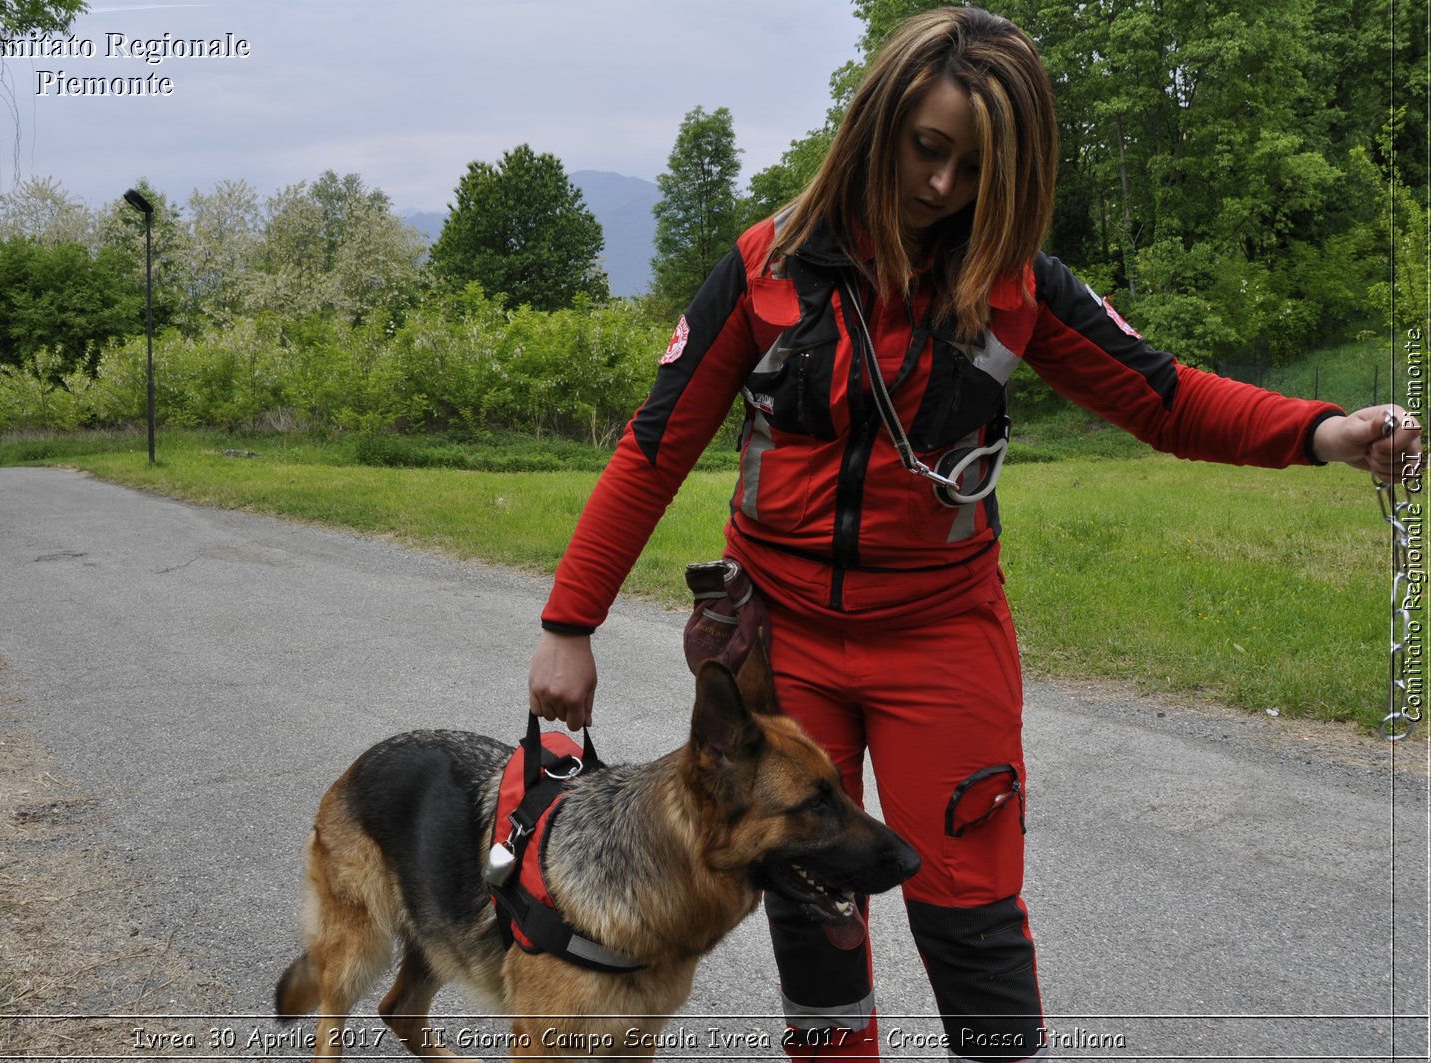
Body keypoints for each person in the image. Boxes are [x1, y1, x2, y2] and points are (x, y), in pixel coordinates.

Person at [528, 7, 1423, 1061]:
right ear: (877, 125)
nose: (942, 186)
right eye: (926, 148)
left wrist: (1322, 431)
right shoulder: (765, 267)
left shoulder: (1020, 288)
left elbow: (1167, 400)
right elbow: (654, 445)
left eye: (974, 165)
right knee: (811, 903)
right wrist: (568, 622)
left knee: (969, 910)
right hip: (781, 642)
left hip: (941, 635)